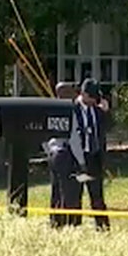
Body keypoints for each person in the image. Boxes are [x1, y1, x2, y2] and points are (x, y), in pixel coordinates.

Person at [45, 82, 85, 228]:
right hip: (67, 154)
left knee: (56, 190)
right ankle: (72, 223)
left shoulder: (51, 110)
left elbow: (44, 134)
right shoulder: (70, 110)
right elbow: (74, 138)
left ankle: (56, 222)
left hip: (54, 154)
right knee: (71, 191)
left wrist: (49, 151)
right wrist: (81, 162)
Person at [73, 78, 110, 229]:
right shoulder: (73, 109)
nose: (95, 100)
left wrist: (106, 112)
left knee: (97, 195)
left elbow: (105, 130)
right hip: (79, 159)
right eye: (92, 97)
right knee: (76, 194)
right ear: (83, 94)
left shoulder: (97, 110)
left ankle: (102, 226)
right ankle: (75, 226)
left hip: (94, 157)